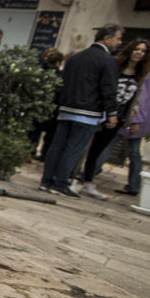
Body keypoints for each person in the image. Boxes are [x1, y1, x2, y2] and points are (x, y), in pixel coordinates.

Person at [39, 24, 123, 197]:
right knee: (73, 148)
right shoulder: (108, 61)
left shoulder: (76, 57)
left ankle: (47, 181)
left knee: (58, 145)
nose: (119, 43)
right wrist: (112, 113)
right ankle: (61, 183)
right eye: (118, 38)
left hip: (66, 108)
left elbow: (62, 83)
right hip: (87, 112)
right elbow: (108, 89)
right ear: (107, 38)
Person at [78, 39, 149, 198]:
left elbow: (139, 98)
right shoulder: (114, 66)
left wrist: (135, 116)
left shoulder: (142, 74)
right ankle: (73, 176)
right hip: (101, 112)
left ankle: (88, 181)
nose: (139, 53)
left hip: (122, 118)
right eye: (136, 49)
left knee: (101, 150)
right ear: (130, 50)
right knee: (84, 146)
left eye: (143, 51)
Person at [116, 58, 150, 196]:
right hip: (141, 117)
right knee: (134, 152)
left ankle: (88, 174)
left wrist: (135, 119)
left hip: (136, 116)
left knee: (112, 144)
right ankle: (134, 185)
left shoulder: (144, 74)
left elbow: (142, 97)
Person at [29, 48, 65, 161]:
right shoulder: (60, 76)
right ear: (59, 62)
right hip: (51, 109)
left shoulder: (39, 71)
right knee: (49, 135)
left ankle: (29, 151)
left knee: (33, 131)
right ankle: (44, 154)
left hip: (36, 105)